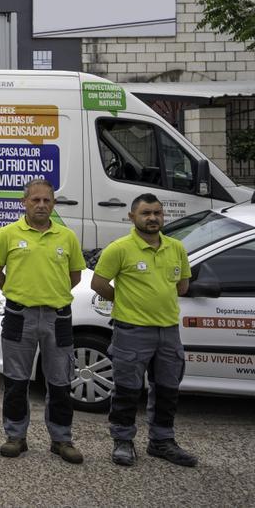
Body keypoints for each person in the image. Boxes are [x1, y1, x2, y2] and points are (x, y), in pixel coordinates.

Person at [90, 193, 197, 467]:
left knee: (167, 390)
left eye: (157, 213)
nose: (152, 218)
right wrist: (125, 301)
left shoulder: (176, 248)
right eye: (146, 213)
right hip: (132, 331)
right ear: (132, 217)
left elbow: (182, 286)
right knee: (127, 390)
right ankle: (123, 441)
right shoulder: (120, 248)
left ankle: (162, 441)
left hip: (168, 332)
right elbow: (99, 284)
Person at [0, 177, 86, 463]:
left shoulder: (66, 237)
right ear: (24, 202)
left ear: (53, 204)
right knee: (16, 380)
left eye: (47, 200)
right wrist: (17, 293)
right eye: (35, 200)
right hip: (20, 316)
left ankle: (61, 439)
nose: (41, 205)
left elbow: (75, 276)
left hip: (58, 318)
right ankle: (16, 436)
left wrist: (51, 294)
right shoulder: (7, 234)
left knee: (60, 381)